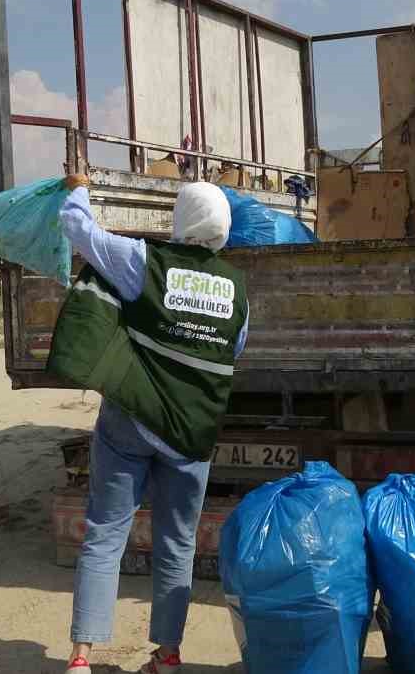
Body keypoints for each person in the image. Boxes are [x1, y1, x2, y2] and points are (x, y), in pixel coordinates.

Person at [51, 172, 249, 674]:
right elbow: (232, 353)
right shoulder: (237, 292)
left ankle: (81, 658)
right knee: (177, 544)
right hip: (191, 434)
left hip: (130, 425)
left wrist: (78, 186)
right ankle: (168, 655)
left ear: (180, 222)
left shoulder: (146, 262)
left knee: (105, 533)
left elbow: (80, 231)